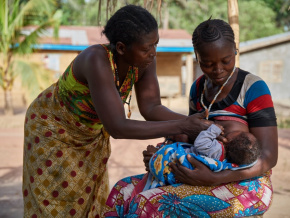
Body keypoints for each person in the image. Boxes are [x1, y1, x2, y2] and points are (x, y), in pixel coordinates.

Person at [22, 5, 212, 218]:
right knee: (56, 198)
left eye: (156, 44)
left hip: (90, 133)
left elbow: (151, 107)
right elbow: (117, 127)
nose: (153, 52)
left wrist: (205, 124)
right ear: (121, 48)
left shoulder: (144, 60)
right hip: (53, 129)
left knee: (88, 195)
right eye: (147, 48)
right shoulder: (96, 60)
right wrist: (184, 125)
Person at [102, 18, 278, 217]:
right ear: (197, 56)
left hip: (246, 185)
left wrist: (214, 178)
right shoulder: (198, 89)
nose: (218, 69)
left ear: (235, 51)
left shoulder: (253, 88)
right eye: (208, 63)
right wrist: (162, 156)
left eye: (226, 60)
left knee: (151, 203)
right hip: (202, 174)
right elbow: (190, 137)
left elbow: (269, 157)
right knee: (122, 190)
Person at [146, 121, 261, 189]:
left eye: (241, 133)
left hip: (178, 160)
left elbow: (200, 143)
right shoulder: (226, 161)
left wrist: (214, 130)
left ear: (229, 140)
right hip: (185, 167)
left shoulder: (216, 150)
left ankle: (156, 155)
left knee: (168, 154)